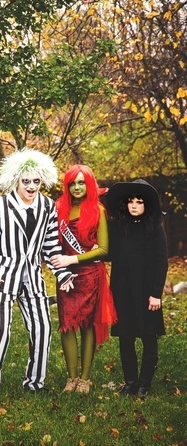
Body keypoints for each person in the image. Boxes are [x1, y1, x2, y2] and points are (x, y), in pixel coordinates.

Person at [0, 148, 75, 400]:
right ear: (16, 180)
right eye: (26, 181)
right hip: (2, 276)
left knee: (42, 327)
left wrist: (62, 275)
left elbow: (51, 246)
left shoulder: (47, 207)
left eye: (36, 181)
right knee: (0, 329)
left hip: (32, 277)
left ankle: (35, 382)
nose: (31, 187)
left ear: (43, 181)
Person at [51, 164, 116, 394]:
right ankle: (71, 378)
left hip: (89, 276)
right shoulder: (58, 208)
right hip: (66, 277)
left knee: (88, 325)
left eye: (81, 183)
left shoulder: (97, 209)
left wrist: (72, 259)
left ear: (88, 184)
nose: (77, 187)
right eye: (72, 183)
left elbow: (105, 250)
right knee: (67, 324)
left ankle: (85, 379)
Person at [106, 179, 167, 398]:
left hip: (146, 291)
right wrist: (95, 248)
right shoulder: (119, 227)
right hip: (122, 290)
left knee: (148, 336)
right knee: (125, 336)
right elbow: (110, 253)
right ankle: (130, 382)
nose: (134, 205)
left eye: (139, 202)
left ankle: (144, 383)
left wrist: (155, 294)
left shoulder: (155, 229)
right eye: (131, 201)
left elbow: (162, 261)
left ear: (146, 205)